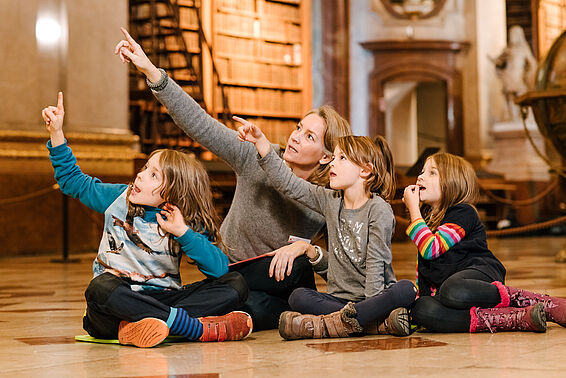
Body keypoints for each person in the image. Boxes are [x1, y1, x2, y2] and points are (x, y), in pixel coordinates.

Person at [115, 27, 353, 330]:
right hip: (230, 270)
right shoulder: (255, 154)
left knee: (290, 280)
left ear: (325, 156)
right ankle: (196, 313)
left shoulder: (327, 196)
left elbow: (338, 266)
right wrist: (151, 71)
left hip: (280, 277)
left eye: (309, 136)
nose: (295, 138)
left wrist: (305, 248)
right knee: (247, 298)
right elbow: (199, 123)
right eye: (297, 128)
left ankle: (207, 314)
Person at [41, 92, 252, 348]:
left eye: (153, 175)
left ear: (173, 192)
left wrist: (182, 232)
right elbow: (72, 181)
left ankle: (143, 326)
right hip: (114, 306)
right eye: (144, 169)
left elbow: (219, 269)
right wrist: (57, 133)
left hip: (163, 300)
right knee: (100, 288)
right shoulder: (120, 197)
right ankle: (190, 327)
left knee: (236, 284)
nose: (140, 176)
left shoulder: (183, 220)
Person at [238, 120, 417, 340]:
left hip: (375, 297)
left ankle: (332, 323)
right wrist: (261, 143)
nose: (332, 163)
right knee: (298, 297)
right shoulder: (329, 200)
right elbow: (288, 183)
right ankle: (372, 325)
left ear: (365, 171)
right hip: (339, 301)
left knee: (406, 289)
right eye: (333, 157)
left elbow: (375, 265)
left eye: (342, 158)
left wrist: (371, 306)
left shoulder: (378, 210)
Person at [404, 152, 566, 333]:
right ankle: (515, 318)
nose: (420, 176)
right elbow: (425, 268)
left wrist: (413, 210)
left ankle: (537, 302)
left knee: (452, 289)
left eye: (432, 173)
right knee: (422, 309)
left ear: (453, 182)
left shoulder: (463, 212)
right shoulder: (425, 220)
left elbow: (430, 249)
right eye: (422, 171)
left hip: (478, 275)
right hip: (452, 291)